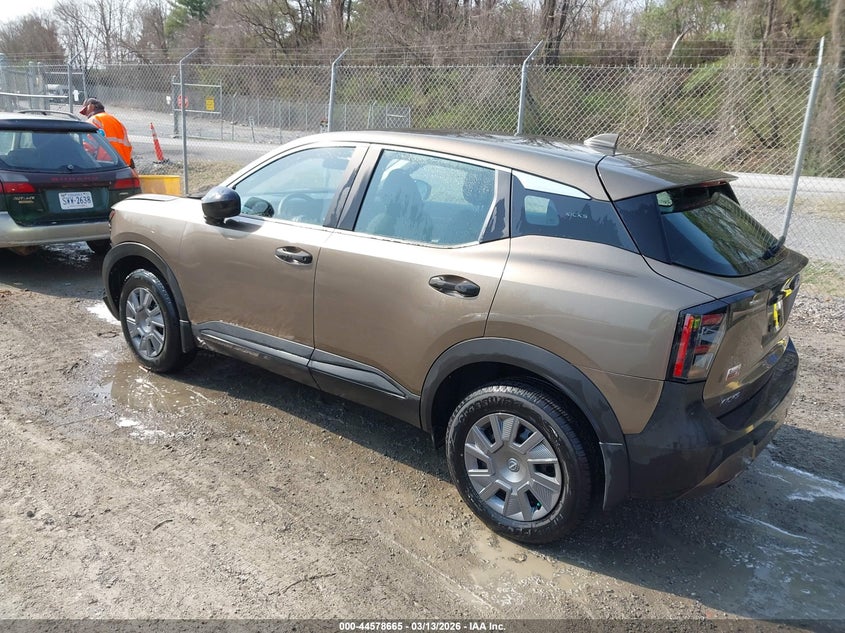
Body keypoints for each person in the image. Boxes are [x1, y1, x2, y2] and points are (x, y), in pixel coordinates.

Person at [79, 97, 135, 168]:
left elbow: (87, 147)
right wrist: (132, 167)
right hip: (123, 166)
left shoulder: (93, 121)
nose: (85, 115)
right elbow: (128, 147)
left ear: (91, 106)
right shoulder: (116, 122)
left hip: (106, 165)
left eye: (85, 111)